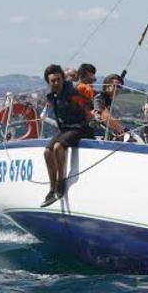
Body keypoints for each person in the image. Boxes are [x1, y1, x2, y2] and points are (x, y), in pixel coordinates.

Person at [41, 64, 95, 207]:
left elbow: (89, 100)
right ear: (49, 82)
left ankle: (61, 184)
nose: (56, 83)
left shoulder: (74, 89)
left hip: (79, 127)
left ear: (63, 78)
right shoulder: (50, 96)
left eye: (58, 79)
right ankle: (51, 189)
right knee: (47, 152)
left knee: (58, 147)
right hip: (65, 128)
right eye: (53, 81)